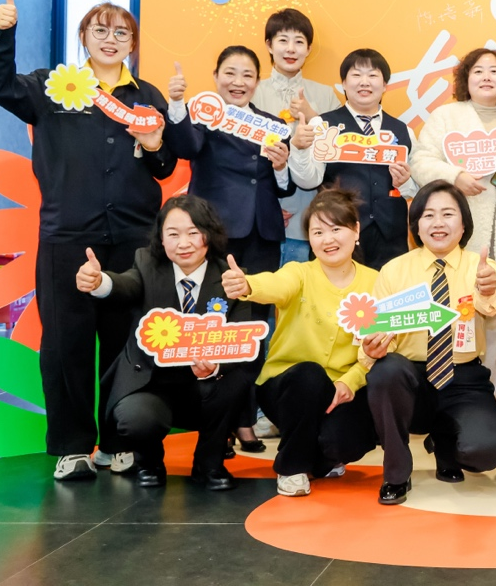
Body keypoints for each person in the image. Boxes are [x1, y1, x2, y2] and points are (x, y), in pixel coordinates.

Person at [0, 0, 176, 480]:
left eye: (121, 32)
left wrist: (155, 147)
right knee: (66, 344)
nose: (111, 39)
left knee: (127, 342)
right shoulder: (54, 86)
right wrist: (2, 31)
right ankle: (72, 446)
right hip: (66, 234)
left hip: (132, 237)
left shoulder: (147, 96)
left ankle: (119, 441)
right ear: (83, 37)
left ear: (132, 43)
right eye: (100, 30)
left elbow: (164, 166)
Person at [165, 45, 296, 454]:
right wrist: (177, 105)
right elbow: (184, 147)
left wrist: (281, 166)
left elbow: (285, 187)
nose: (238, 82)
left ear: (257, 81)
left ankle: (245, 420)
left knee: (253, 330)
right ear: (216, 76)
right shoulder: (204, 115)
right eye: (230, 73)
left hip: (261, 236)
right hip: (217, 234)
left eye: (247, 75)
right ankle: (215, 424)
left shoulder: (273, 124)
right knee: (213, 329)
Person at [76, 196, 252, 491]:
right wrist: (99, 283)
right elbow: (125, 285)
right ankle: (150, 463)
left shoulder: (231, 278)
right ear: (161, 238)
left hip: (204, 387)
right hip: (153, 384)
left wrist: (214, 367)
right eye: (173, 234)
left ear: (209, 234)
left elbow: (241, 344)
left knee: (236, 381)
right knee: (135, 418)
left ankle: (209, 465)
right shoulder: (146, 264)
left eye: (193, 232)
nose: (183, 243)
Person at [220, 189, 382, 498]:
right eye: (318, 232)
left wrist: (350, 381)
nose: (327, 239)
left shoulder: (376, 282)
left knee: (352, 437)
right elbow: (275, 285)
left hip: (340, 391)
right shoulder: (298, 272)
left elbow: (382, 345)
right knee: (309, 374)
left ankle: (322, 459)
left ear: (356, 231)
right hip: (287, 388)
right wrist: (248, 284)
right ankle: (291, 467)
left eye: (336, 229)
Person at [362, 180, 496, 505]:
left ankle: (445, 444)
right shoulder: (393, 271)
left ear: (464, 224)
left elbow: (492, 305)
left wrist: (486, 289)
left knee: (487, 452)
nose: (438, 223)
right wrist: (371, 349)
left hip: (464, 378)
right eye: (428, 215)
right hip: (409, 378)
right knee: (385, 371)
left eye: (448, 214)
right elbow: (375, 331)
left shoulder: (482, 267)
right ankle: (396, 473)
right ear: (416, 225)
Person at [409, 48, 496, 378]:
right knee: (456, 320)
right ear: (466, 79)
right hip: (460, 241)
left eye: (494, 71)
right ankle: (451, 389)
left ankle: (489, 393)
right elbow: (420, 162)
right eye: (478, 71)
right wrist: (455, 176)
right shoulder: (446, 117)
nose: (487, 77)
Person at [288, 48, 416, 269]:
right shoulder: (322, 125)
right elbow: (308, 181)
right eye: (356, 75)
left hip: (390, 240)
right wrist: (298, 149)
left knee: (389, 290)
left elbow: (415, 189)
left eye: (373, 75)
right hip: (336, 235)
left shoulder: (403, 130)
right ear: (344, 84)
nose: (364, 82)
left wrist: (404, 183)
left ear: (385, 85)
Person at [250, 8, 340, 265]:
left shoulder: (325, 95)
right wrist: (267, 205)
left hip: (308, 216)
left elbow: (338, 155)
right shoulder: (251, 92)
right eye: (283, 40)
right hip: (258, 216)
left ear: (308, 49)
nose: (291, 49)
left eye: (299, 42)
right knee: (258, 289)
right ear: (269, 45)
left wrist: (313, 116)